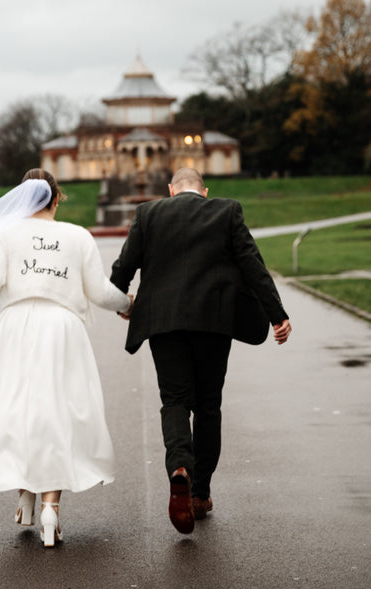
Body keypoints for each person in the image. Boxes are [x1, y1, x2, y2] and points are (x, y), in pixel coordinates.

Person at [0, 168, 132, 547]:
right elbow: (100, 292)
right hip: (62, 329)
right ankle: (51, 507)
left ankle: (25, 495)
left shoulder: (5, 234)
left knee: (16, 407)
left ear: (22, 199)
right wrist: (128, 303)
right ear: (56, 198)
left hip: (15, 327)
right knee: (58, 411)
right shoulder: (77, 236)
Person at [110, 167, 291, 534]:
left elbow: (124, 266)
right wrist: (277, 315)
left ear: (171, 190)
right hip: (213, 322)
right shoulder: (227, 211)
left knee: (175, 400)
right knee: (208, 405)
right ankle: (200, 493)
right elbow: (253, 266)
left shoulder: (148, 213)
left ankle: (180, 468)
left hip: (164, 323)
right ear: (204, 191)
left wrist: (120, 303)